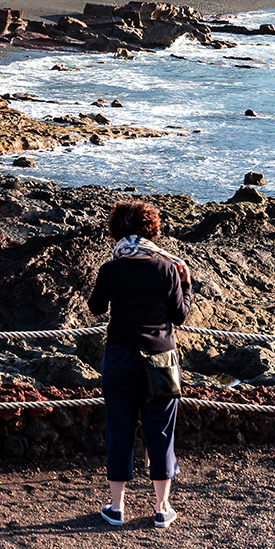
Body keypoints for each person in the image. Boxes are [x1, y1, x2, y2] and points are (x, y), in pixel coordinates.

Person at [88, 200, 192, 529]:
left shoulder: (111, 269)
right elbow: (180, 315)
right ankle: (162, 507)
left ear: (116, 230)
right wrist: (186, 284)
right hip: (160, 358)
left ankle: (117, 507)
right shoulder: (166, 268)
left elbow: (95, 307)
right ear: (152, 228)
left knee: (119, 430)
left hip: (120, 356)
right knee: (159, 431)